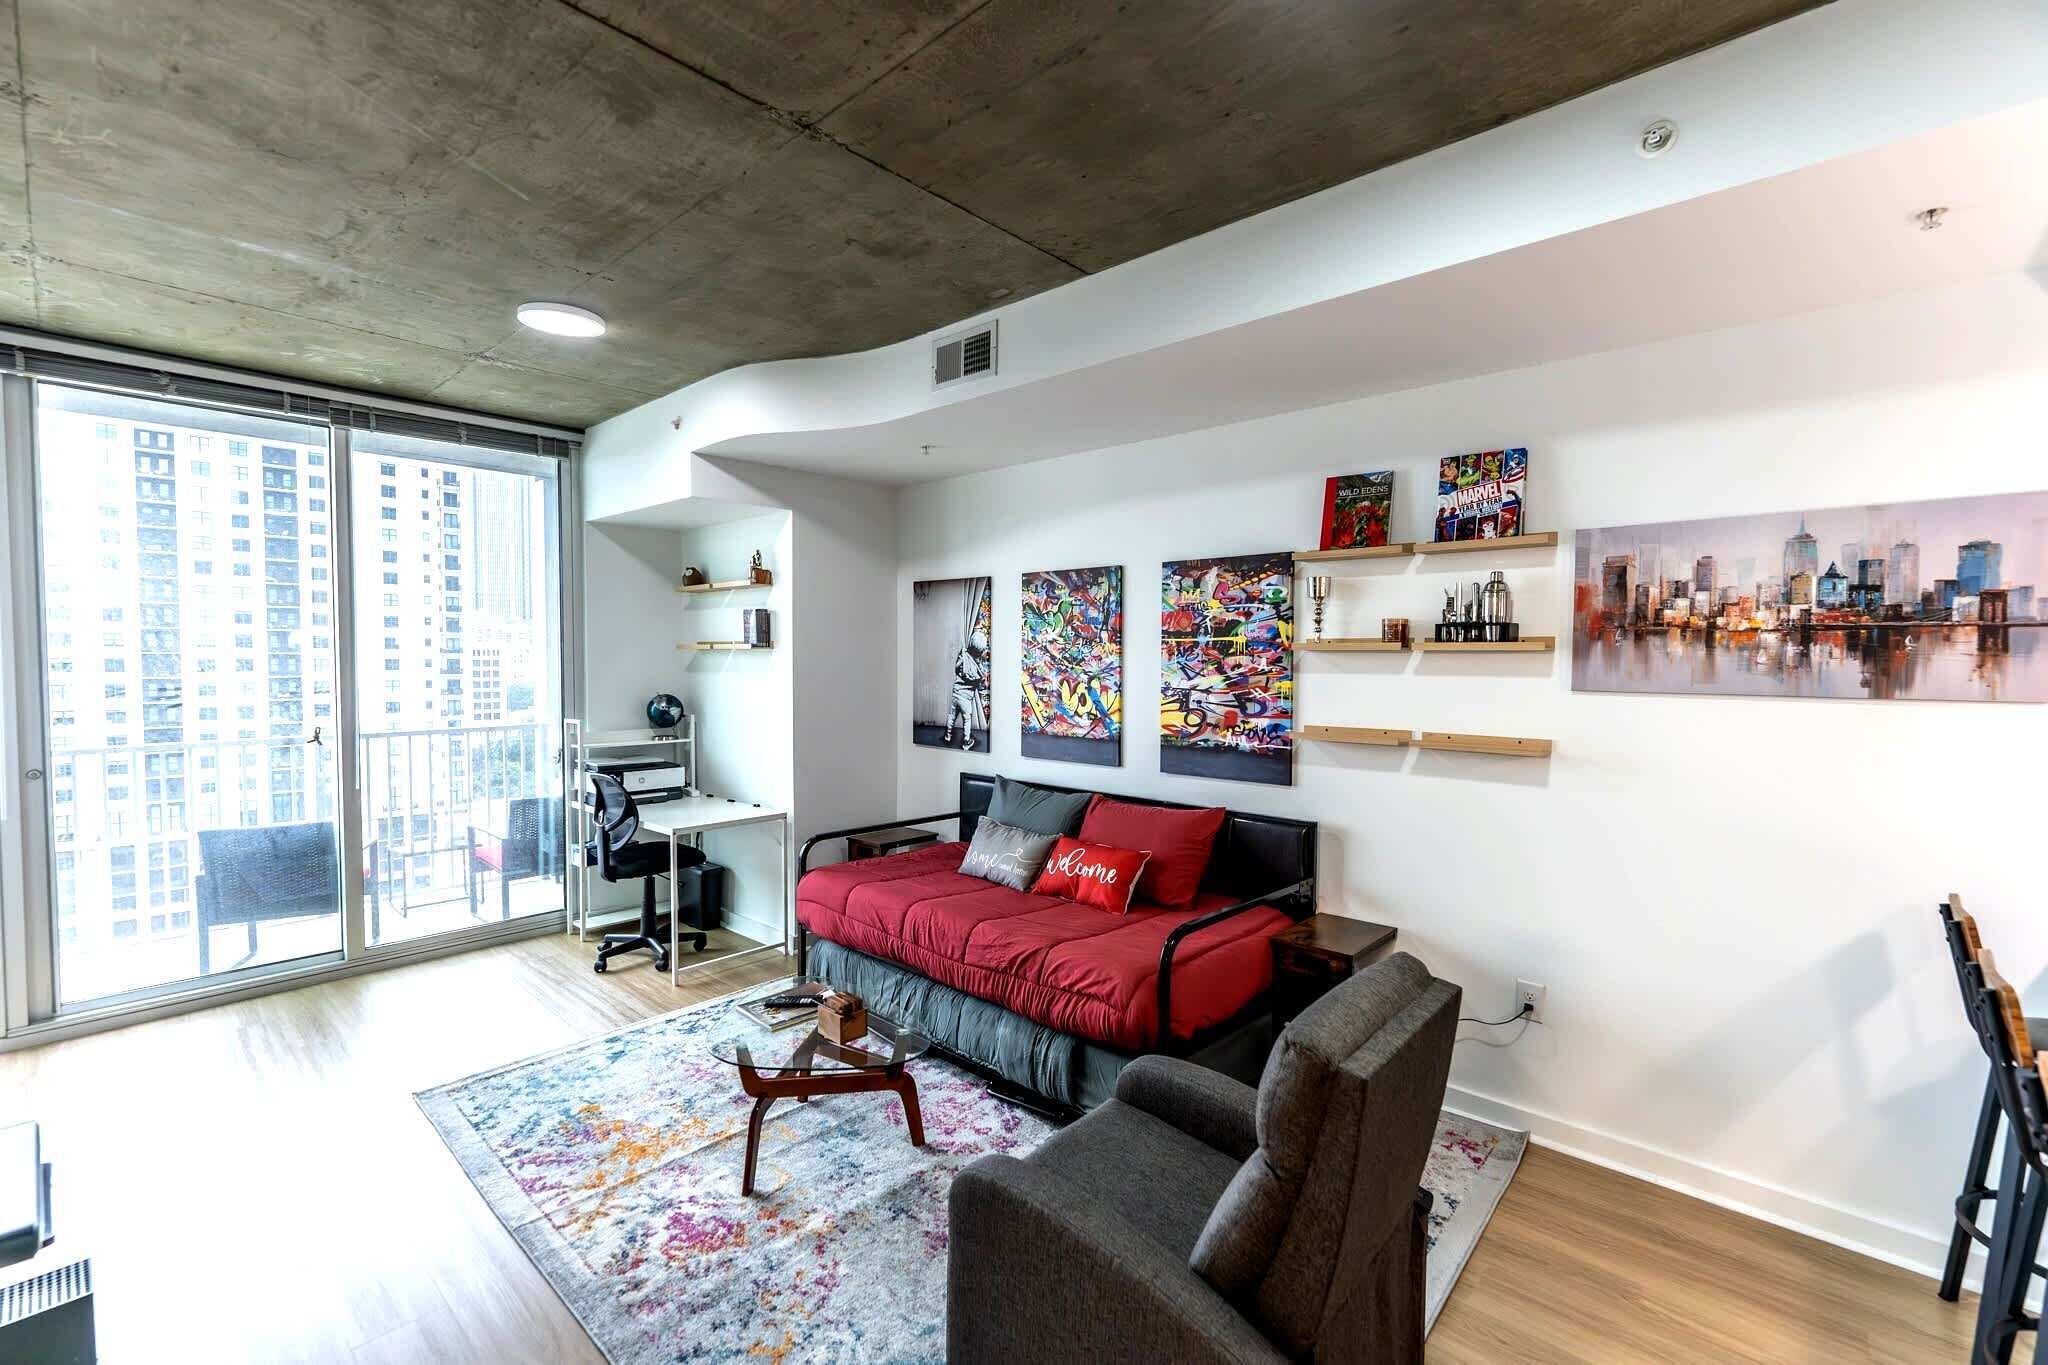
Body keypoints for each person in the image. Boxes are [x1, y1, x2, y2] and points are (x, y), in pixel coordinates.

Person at [942, 630, 989, 750]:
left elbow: (956, 668)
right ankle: (966, 741)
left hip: (956, 693)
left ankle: (948, 735)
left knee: (951, 715)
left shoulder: (963, 654)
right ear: (980, 651)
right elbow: (980, 684)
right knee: (967, 719)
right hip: (966, 699)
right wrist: (984, 680)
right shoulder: (977, 670)